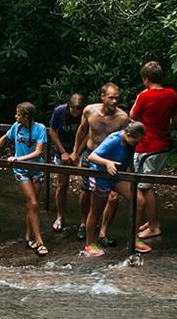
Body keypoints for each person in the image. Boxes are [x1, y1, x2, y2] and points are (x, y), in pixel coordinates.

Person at [71, 84, 129, 245]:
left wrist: (127, 165)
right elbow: (82, 130)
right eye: (111, 97)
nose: (114, 101)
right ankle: (84, 224)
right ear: (102, 96)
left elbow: (127, 142)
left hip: (112, 161)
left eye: (117, 97)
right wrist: (76, 151)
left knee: (113, 196)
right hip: (91, 156)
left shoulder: (123, 118)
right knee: (86, 191)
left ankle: (103, 232)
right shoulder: (90, 111)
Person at [0, 101, 50, 256]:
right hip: (21, 170)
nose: (15, 116)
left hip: (36, 169)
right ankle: (39, 241)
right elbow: (4, 138)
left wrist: (19, 158)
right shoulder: (16, 127)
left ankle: (28, 235)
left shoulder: (40, 128)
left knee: (33, 204)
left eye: (18, 114)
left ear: (26, 116)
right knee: (33, 202)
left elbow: (38, 152)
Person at [83, 121, 151, 257]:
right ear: (128, 135)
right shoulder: (114, 140)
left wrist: (133, 174)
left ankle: (133, 239)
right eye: (136, 140)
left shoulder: (131, 142)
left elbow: (129, 157)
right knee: (96, 211)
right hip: (102, 176)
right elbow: (92, 156)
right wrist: (107, 163)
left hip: (118, 175)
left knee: (139, 202)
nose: (137, 143)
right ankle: (89, 244)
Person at [129, 62, 177, 240]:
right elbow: (176, 116)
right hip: (162, 145)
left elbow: (132, 117)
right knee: (147, 184)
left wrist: (140, 96)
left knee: (145, 187)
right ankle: (151, 222)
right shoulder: (171, 94)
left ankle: (154, 225)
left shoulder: (144, 96)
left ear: (146, 79)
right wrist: (168, 129)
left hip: (147, 147)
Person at [47, 94, 85, 233]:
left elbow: (87, 133)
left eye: (79, 109)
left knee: (84, 187)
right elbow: (52, 131)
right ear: (69, 106)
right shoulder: (59, 111)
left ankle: (84, 221)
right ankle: (60, 216)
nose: (76, 112)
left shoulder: (85, 113)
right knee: (62, 185)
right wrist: (63, 151)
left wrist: (77, 152)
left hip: (80, 150)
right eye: (74, 109)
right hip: (62, 148)